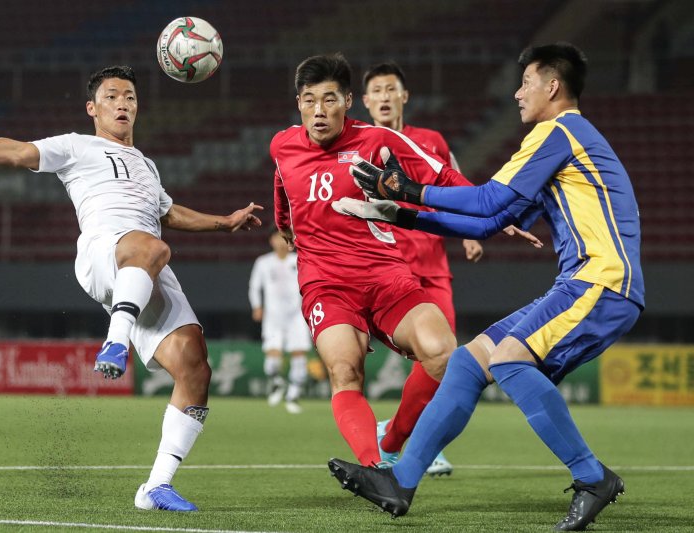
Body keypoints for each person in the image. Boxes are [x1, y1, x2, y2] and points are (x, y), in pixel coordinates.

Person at [328, 43, 643, 532]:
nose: (517, 94)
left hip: (601, 280)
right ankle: (401, 480)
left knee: (509, 360)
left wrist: (406, 190)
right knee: (468, 360)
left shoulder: (559, 131)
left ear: (552, 86)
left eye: (525, 83)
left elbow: (487, 198)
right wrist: (400, 213)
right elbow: (488, 222)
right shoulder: (557, 140)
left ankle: (591, 476)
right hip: (579, 282)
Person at [0, 65, 262, 512]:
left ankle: (156, 487)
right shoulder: (76, 146)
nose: (123, 104)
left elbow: (168, 211)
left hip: (146, 261)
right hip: (104, 252)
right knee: (151, 245)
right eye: (113, 96)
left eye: (131, 98)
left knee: (194, 366)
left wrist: (224, 222)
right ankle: (115, 343)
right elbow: (16, 152)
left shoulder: (146, 164)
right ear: (92, 108)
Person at [270, 52, 484, 469]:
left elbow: (441, 176)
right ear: (299, 104)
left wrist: (494, 212)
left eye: (329, 99)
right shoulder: (282, 145)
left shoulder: (376, 139)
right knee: (345, 370)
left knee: (443, 352)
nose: (319, 111)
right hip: (327, 285)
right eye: (309, 100)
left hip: (385, 275)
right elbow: (282, 193)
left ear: (349, 101)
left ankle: (393, 440)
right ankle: (373, 469)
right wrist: (284, 226)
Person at [362, 61, 485, 476]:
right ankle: (406, 442)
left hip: (432, 263)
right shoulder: (359, 144)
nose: (382, 96)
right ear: (364, 101)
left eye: (389, 89)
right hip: (386, 265)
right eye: (375, 90)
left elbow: (455, 185)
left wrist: (471, 231)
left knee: (444, 360)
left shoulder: (430, 140)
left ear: (403, 96)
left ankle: (400, 438)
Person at [248, 230, 312, 414]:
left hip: (296, 316)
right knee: (272, 359)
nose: (281, 241)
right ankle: (277, 383)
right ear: (272, 240)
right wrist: (257, 306)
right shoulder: (263, 262)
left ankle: (293, 396)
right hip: (273, 316)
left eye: (285, 238)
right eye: (278, 237)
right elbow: (254, 286)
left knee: (299, 354)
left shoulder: (298, 261)